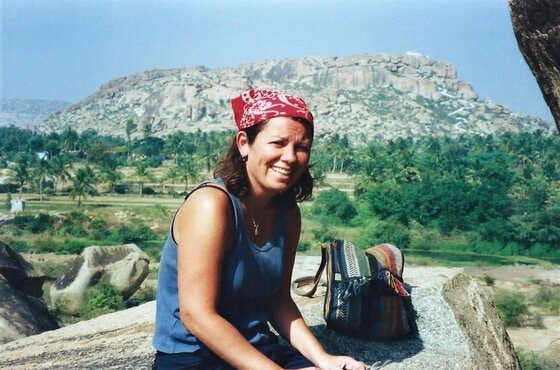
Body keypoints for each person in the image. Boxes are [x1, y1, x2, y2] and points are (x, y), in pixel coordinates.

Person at [152, 88, 366, 370]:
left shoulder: (287, 213)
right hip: (194, 356)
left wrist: (324, 359)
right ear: (244, 143)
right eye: (277, 143)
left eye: (301, 147)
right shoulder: (211, 205)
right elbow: (197, 315)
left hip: (257, 347)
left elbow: (278, 300)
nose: (290, 157)